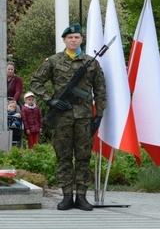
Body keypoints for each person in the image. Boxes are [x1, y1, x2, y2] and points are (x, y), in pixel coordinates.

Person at [31, 24, 107, 211]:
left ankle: (81, 197)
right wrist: (51, 101)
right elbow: (36, 82)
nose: (74, 40)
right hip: (62, 117)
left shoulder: (91, 62)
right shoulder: (53, 61)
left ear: (82, 40)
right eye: (70, 37)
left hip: (84, 118)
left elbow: (100, 90)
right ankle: (66, 196)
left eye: (77, 37)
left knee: (83, 157)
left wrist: (100, 115)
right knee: (64, 157)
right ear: (64, 40)